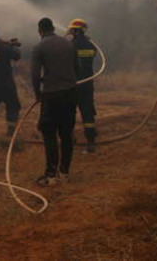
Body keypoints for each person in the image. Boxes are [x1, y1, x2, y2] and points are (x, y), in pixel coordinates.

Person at [31, 17, 78, 185]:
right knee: (66, 133)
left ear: (40, 31)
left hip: (51, 95)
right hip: (70, 93)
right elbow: (76, 67)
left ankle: (51, 175)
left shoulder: (39, 47)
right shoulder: (68, 44)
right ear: (53, 28)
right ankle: (64, 173)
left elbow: (35, 75)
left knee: (49, 132)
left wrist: (38, 93)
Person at [68, 18, 99, 153]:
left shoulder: (70, 45)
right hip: (87, 84)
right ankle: (91, 143)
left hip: (73, 85)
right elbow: (94, 54)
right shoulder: (91, 45)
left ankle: (70, 139)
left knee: (69, 113)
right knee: (87, 114)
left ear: (75, 31)